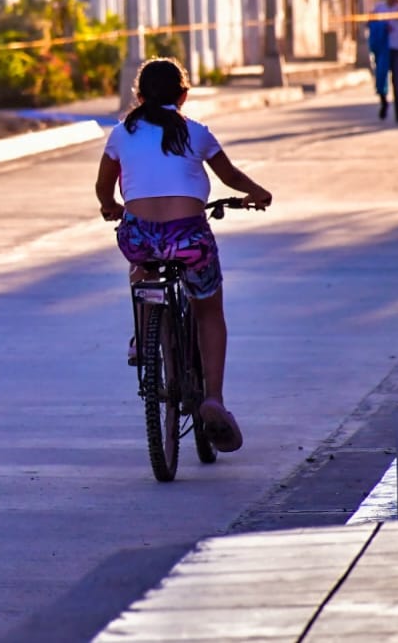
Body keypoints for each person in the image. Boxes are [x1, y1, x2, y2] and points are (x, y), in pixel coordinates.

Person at [95, 58, 273, 453]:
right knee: (208, 310)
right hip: (188, 238)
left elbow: (104, 188)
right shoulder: (196, 132)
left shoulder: (121, 134)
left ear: (139, 97)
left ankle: (143, 339)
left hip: (140, 236)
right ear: (184, 95)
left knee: (141, 264)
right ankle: (214, 399)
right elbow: (232, 178)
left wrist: (111, 207)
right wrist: (257, 193)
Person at [369, 0, 398, 122]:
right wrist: (381, 27)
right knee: (381, 78)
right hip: (383, 50)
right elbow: (369, 22)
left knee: (397, 83)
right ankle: (384, 103)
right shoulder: (380, 7)